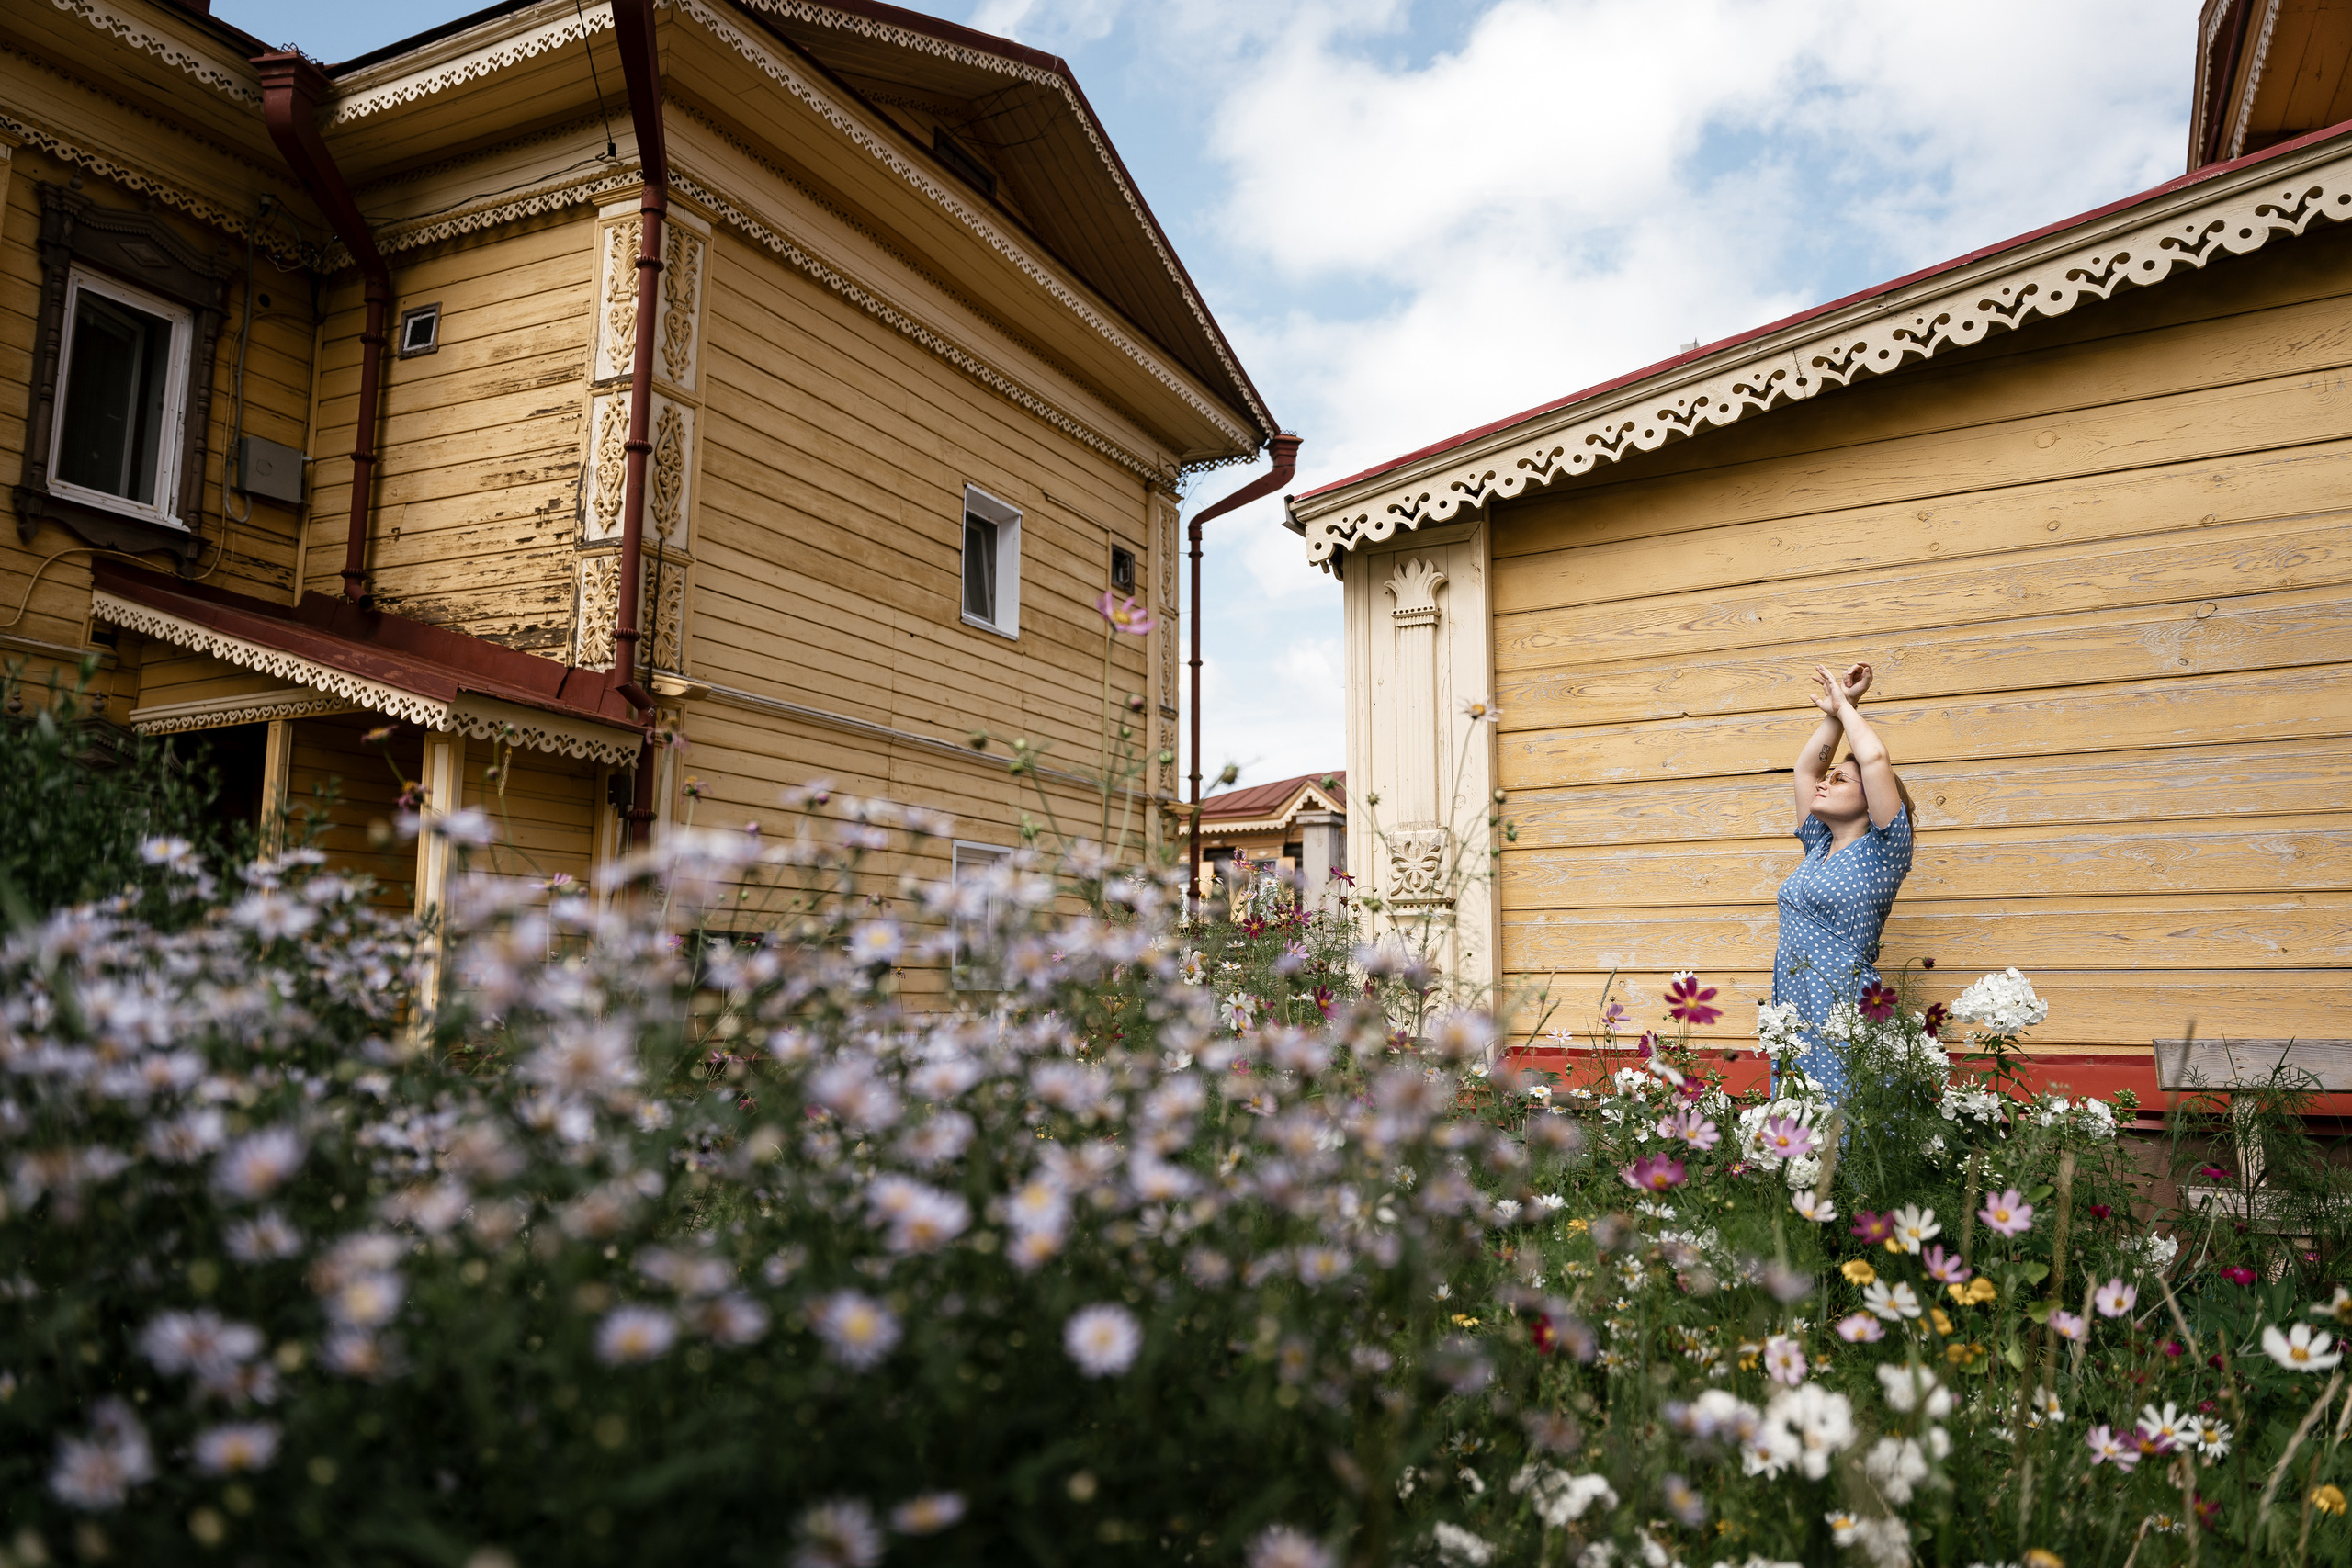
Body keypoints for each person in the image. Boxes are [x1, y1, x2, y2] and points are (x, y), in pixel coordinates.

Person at [1772, 661, 1914, 1100]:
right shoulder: (1817, 843)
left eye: (1840, 779)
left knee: (1847, 1118)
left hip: (1844, 1004)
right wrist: (1839, 708)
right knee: (1800, 1122)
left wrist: (1850, 707)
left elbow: (1872, 758)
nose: (1824, 782)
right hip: (1794, 999)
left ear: (1871, 797)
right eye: (1829, 776)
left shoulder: (1885, 849)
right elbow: (1804, 772)